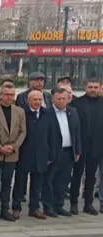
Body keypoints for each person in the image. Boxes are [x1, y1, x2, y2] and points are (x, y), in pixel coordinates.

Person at [12, 90, 57, 220]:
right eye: (35, 100)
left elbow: (52, 135)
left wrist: (51, 155)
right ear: (28, 100)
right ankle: (16, 207)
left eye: (39, 99)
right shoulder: (22, 113)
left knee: (37, 183)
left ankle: (34, 208)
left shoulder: (47, 113)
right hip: (24, 153)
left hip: (42, 154)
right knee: (20, 183)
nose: (37, 102)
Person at [0, 84, 26, 222]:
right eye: (7, 94)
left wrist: (14, 146)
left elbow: (23, 132)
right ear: (1, 95)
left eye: (12, 95)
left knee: (7, 183)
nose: (9, 97)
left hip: (12, 153)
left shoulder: (20, 111)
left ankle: (5, 209)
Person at [43, 87, 82, 217]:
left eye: (64, 98)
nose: (61, 101)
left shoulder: (73, 111)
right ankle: (48, 206)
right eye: (58, 99)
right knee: (49, 180)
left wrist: (77, 151)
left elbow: (77, 133)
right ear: (53, 99)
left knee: (63, 180)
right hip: (52, 153)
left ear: (68, 99)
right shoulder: (46, 113)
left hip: (68, 151)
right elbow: (44, 136)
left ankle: (58, 205)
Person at [69, 79, 103, 215]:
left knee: (91, 176)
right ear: (85, 88)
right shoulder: (76, 103)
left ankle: (88, 204)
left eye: (96, 87)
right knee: (76, 175)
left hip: (97, 146)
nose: (93, 90)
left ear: (100, 88)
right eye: (90, 87)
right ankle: (73, 203)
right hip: (80, 146)